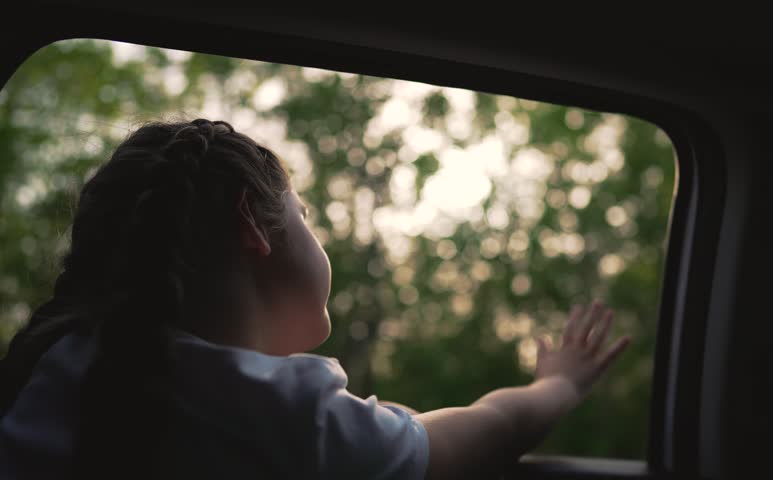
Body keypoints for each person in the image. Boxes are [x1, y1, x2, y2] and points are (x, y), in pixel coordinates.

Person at [0, 118, 631, 480]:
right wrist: (560, 385)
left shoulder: (47, 369)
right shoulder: (281, 418)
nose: (315, 232)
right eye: (305, 216)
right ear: (253, 226)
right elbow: (488, 430)